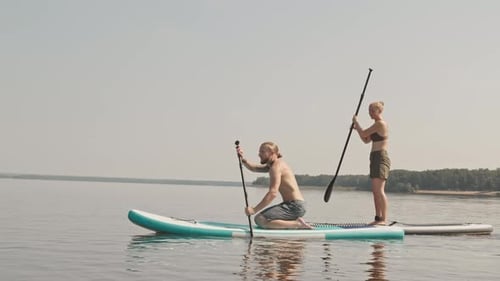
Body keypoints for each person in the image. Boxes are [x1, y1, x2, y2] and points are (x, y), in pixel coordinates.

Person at [237, 141, 313, 229]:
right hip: (292, 205)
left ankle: (298, 224)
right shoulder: (274, 165)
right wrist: (242, 159)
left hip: (294, 206)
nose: (259, 154)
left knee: (260, 219)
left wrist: (254, 209)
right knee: (261, 219)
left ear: (272, 153)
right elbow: (254, 168)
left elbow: (273, 193)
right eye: (259, 152)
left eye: (262, 152)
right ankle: (294, 224)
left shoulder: (276, 167)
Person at [352, 101, 391, 225]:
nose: (370, 113)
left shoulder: (380, 124)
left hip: (380, 157)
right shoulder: (375, 125)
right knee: (375, 191)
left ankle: (384, 219)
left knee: (379, 190)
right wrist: (357, 129)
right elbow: (366, 139)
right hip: (374, 157)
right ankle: (378, 218)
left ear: (379, 111)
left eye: (372, 110)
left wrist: (356, 123)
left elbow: (363, 133)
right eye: (369, 110)